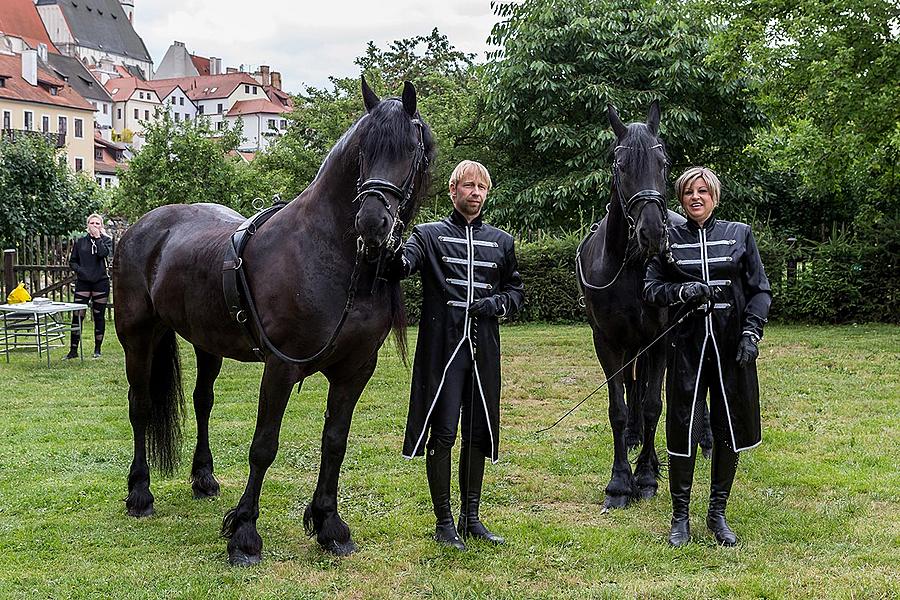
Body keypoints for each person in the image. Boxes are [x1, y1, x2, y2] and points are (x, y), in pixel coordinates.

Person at [392, 160, 524, 550]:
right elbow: (400, 265)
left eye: (482, 188)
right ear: (453, 191)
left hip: (484, 350)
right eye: (468, 186)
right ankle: (444, 523)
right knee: (444, 432)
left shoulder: (501, 242)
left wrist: (495, 304)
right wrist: (388, 236)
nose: (476, 194)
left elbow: (515, 292)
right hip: (443, 351)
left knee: (478, 433)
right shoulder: (429, 235)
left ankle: (471, 518)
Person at [643, 167, 771, 547]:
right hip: (686, 349)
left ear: (714, 196)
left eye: (703, 191)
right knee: (684, 426)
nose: (695, 197)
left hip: (732, 349)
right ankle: (679, 517)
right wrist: (682, 293)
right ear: (680, 200)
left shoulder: (739, 234)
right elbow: (651, 288)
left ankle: (717, 514)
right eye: (688, 193)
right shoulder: (669, 240)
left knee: (728, 428)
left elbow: (760, 290)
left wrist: (751, 332)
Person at [65, 213, 113, 359]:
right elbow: (72, 261)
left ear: (102, 226)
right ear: (87, 226)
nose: (94, 226)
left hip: (100, 282)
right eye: (92, 223)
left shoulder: (106, 241)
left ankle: (97, 349)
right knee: (77, 315)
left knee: (99, 315)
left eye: (97, 223)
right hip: (83, 282)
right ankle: (73, 351)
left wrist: (98, 238)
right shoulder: (80, 242)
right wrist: (81, 271)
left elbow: (103, 254)